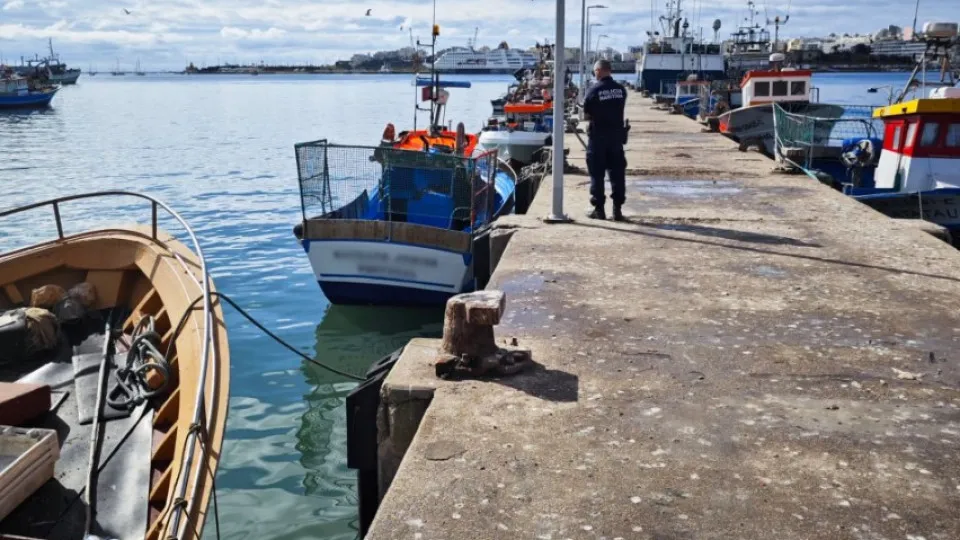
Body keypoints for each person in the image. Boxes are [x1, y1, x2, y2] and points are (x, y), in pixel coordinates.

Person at [582, 59, 628, 221]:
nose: (595, 74)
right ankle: (617, 210)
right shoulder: (621, 90)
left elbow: (586, 114)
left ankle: (599, 210)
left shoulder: (594, 91)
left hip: (598, 138)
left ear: (599, 71)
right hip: (616, 138)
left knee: (597, 174)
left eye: (595, 71)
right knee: (617, 174)